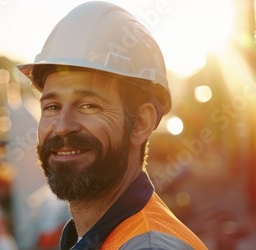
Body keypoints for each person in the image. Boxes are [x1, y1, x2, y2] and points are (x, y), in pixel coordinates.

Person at [17, 1, 207, 249]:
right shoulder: (107, 236)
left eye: (88, 106)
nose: (63, 127)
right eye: (52, 107)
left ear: (141, 123)